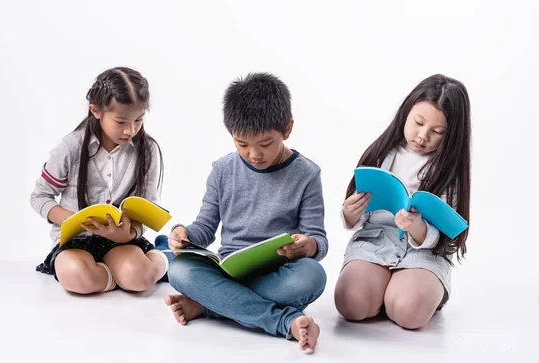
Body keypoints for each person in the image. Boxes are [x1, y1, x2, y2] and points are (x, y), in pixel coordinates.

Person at [163, 72, 328, 353]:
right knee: (178, 268)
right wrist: (184, 235)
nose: (254, 154)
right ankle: (284, 321)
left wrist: (308, 246)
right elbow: (204, 227)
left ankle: (211, 304)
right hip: (229, 270)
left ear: (287, 129)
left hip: (276, 275)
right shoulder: (223, 170)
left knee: (312, 276)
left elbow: (318, 240)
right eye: (242, 144)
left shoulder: (307, 174)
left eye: (265, 144)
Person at [334, 74, 471, 329]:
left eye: (437, 132)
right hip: (375, 241)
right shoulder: (382, 152)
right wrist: (350, 212)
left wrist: (418, 229)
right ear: (406, 112)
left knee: (409, 313)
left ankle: (406, 289)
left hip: (424, 253)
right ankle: (382, 288)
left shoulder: (449, 171)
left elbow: (447, 234)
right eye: (418, 122)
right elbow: (357, 216)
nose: (422, 136)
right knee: (350, 303)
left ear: (451, 135)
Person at [31, 67, 170, 294]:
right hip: (76, 239)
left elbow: (149, 208)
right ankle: (114, 273)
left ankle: (162, 256)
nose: (131, 130)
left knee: (140, 279)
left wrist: (128, 234)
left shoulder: (148, 150)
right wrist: (71, 219)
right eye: (121, 121)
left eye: (138, 120)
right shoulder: (70, 148)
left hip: (121, 240)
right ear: (95, 111)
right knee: (78, 278)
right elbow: (39, 196)